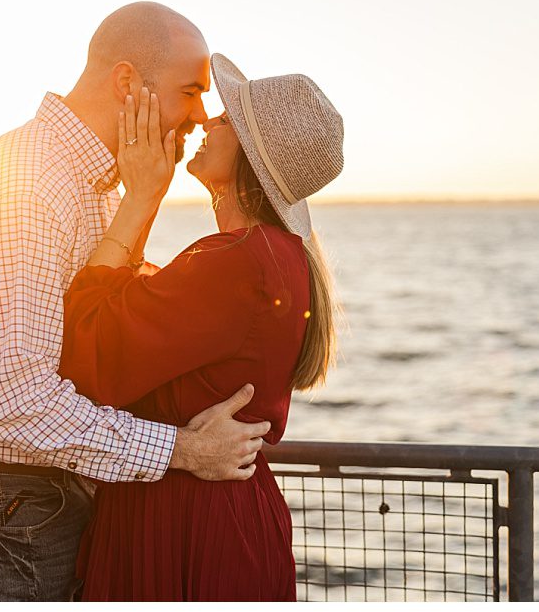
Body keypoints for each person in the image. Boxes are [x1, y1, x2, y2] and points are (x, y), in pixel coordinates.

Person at [0, 4, 270, 602]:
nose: (201, 115)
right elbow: (17, 401)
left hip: (18, 498)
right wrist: (184, 451)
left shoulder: (85, 184)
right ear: (127, 83)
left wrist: (143, 198)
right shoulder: (26, 183)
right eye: (190, 91)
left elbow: (101, 326)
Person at [59, 53, 344, 601]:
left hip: (187, 523)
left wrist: (141, 195)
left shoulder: (236, 261)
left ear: (253, 159)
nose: (209, 119)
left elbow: (84, 353)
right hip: (224, 514)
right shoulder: (273, 254)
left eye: (230, 119)